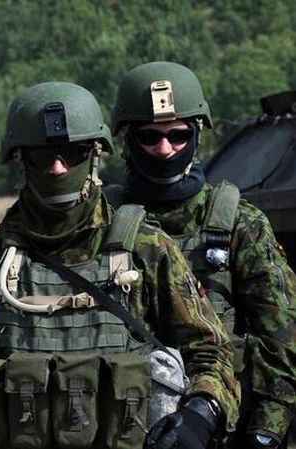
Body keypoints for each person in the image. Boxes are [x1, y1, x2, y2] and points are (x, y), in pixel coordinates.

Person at [0, 81, 240, 449]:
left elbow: (211, 350)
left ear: (94, 155)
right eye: (43, 155)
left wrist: (200, 412)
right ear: (20, 160)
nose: (58, 167)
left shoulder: (146, 250)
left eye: (72, 153)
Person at [110, 61, 296, 449]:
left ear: (196, 134)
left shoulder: (239, 223)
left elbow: (281, 339)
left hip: (222, 428)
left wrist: (265, 432)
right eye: (150, 136)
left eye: (178, 135)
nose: (165, 149)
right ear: (128, 139)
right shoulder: (104, 220)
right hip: (123, 423)